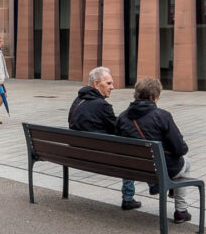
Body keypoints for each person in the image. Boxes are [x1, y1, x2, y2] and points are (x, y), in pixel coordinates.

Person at [116, 76, 194, 224]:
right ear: (154, 97)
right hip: (162, 169)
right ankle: (181, 211)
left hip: (133, 168)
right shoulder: (162, 116)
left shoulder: (122, 117)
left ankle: (162, 187)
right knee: (186, 163)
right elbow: (180, 149)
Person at [68, 66, 139, 210]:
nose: (112, 87)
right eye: (108, 83)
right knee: (131, 152)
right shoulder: (101, 105)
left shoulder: (78, 101)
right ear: (96, 84)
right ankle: (128, 197)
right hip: (101, 157)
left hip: (78, 154)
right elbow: (118, 130)